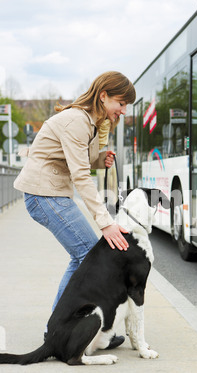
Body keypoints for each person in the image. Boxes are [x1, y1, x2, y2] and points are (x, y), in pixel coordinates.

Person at [14, 71, 136, 348]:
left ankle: (60, 328)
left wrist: (99, 158)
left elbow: (77, 159)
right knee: (86, 254)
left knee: (81, 256)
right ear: (103, 95)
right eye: (121, 102)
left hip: (52, 193)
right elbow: (80, 175)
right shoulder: (77, 120)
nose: (123, 110)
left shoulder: (90, 121)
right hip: (44, 194)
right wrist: (106, 222)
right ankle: (57, 331)